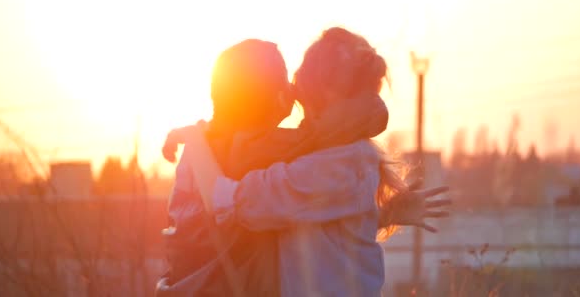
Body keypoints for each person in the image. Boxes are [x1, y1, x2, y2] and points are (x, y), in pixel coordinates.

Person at [161, 28, 450, 296]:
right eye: (282, 81)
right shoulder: (272, 154)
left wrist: (195, 138)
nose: (290, 90)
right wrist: (378, 215)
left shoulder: (318, 159)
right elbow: (291, 210)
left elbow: (248, 203)